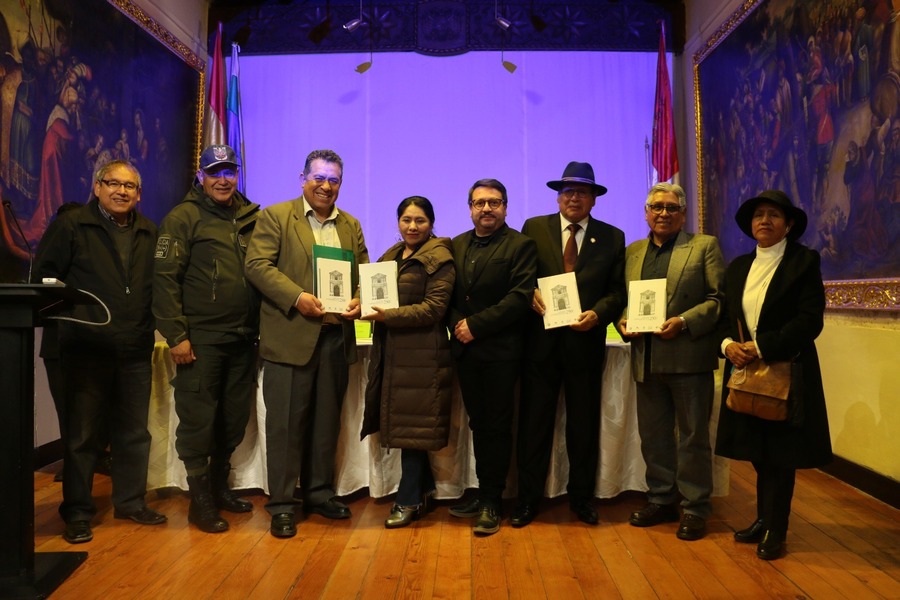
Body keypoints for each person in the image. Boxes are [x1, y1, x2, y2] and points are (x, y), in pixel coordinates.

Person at [34, 159, 165, 544]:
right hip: (84, 350)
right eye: (112, 183)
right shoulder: (72, 225)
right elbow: (46, 280)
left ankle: (130, 502)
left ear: (139, 194)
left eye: (129, 186)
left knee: (133, 434)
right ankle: (77, 512)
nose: (121, 191)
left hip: (135, 348)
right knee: (82, 437)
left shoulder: (148, 231)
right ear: (96, 187)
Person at [244, 149, 368, 539]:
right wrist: (297, 297)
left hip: (335, 338)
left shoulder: (351, 224)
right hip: (290, 336)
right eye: (319, 178)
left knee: (325, 423)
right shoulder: (276, 217)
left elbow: (364, 272)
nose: (326, 186)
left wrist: (362, 297)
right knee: (284, 426)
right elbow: (257, 266)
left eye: (333, 180)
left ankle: (318, 493)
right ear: (303, 179)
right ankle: (282, 503)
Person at [717, 189, 832, 561]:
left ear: (789, 224)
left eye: (773, 215)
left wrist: (761, 346)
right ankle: (763, 517)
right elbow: (724, 315)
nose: (764, 220)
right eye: (758, 215)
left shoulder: (803, 261)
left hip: (786, 370)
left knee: (781, 453)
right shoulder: (737, 267)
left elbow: (809, 320)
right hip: (746, 371)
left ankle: (776, 529)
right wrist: (726, 345)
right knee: (756, 449)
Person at [153, 145, 260, 533]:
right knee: (199, 422)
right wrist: (177, 335)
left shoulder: (252, 217)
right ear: (200, 176)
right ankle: (200, 502)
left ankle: (218, 490)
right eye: (215, 172)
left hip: (242, 338)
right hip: (200, 341)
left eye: (229, 171)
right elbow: (164, 281)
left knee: (231, 421)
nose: (223, 179)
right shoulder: (182, 218)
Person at [513, 161, 626, 526]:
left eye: (581, 192)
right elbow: (521, 276)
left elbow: (616, 291)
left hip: (584, 345)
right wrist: (529, 293)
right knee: (534, 425)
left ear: (594, 199)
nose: (573, 197)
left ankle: (581, 498)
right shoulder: (534, 228)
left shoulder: (612, 237)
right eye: (566, 191)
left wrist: (598, 314)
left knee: (583, 426)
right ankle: (528, 500)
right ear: (558, 197)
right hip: (540, 346)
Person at [617, 183, 725, 541]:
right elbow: (625, 299)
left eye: (670, 208)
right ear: (646, 213)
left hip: (688, 357)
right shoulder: (633, 251)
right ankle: (661, 498)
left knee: (693, 437)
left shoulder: (703, 246)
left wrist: (684, 321)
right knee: (654, 436)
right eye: (656, 207)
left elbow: (716, 299)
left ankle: (694, 508)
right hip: (645, 358)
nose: (663, 213)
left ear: (682, 213)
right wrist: (621, 320)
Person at [446, 179, 537, 535]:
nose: (487, 209)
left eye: (494, 202)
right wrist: (458, 325)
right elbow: (448, 296)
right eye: (480, 203)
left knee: (497, 427)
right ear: (470, 207)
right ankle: (483, 492)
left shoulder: (520, 245)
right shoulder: (455, 244)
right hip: (466, 350)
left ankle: (492, 501)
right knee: (478, 424)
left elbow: (518, 298)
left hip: (500, 351)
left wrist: (475, 327)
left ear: (505, 207)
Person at [359, 196, 456, 529]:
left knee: (413, 428)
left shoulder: (440, 258)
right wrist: (360, 301)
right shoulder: (391, 255)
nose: (412, 227)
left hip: (423, 356)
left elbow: (433, 310)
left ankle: (408, 499)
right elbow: (376, 294)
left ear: (431, 223)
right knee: (405, 425)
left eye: (420, 221)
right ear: (398, 222)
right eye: (406, 220)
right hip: (394, 352)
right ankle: (424, 490)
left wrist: (388, 315)